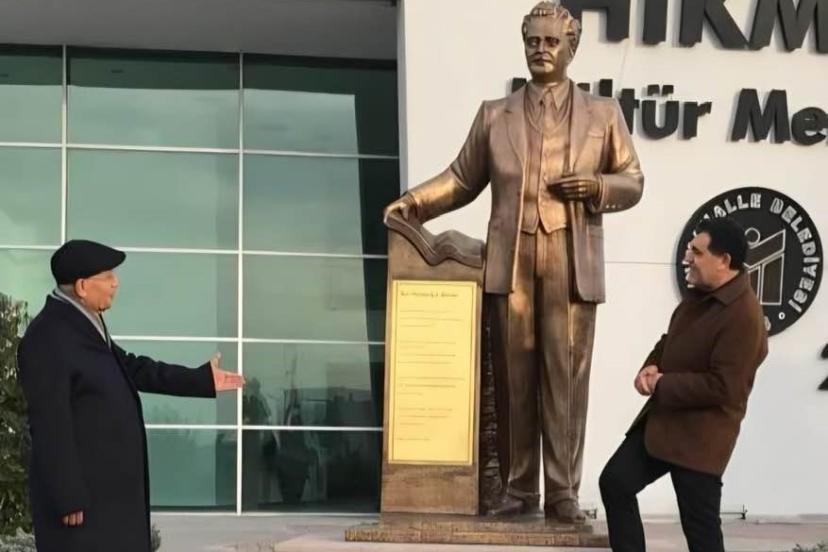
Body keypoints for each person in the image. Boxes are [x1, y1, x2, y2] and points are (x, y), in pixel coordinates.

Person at [383, 1, 643, 521]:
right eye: (533, 41)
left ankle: (563, 490)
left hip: (570, 258)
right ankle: (521, 489)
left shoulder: (603, 114)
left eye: (551, 42)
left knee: (565, 378)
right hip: (512, 257)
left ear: (571, 48)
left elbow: (632, 181)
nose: (541, 50)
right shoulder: (493, 115)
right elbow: (461, 179)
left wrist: (597, 186)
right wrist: (413, 201)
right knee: (514, 380)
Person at [17, 239, 245, 552]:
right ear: (82, 286)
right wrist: (67, 495)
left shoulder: (85, 325)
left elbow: (134, 368)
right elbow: (49, 423)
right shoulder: (48, 336)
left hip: (109, 499)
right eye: (108, 276)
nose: (116, 283)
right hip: (83, 509)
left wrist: (200, 379)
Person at [599, 217, 768, 552]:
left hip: (701, 441)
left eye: (697, 252)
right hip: (662, 427)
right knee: (616, 483)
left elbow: (725, 387)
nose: (687, 257)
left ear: (724, 261)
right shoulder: (700, 294)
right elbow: (671, 339)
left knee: (701, 533)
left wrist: (662, 384)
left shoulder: (744, 317)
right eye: (690, 249)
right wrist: (652, 364)